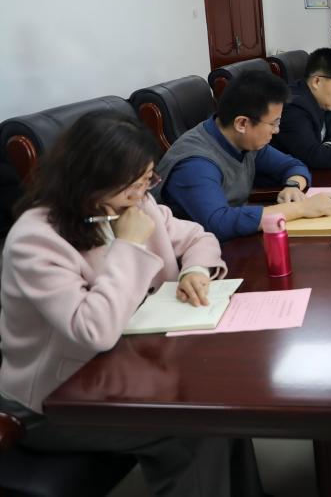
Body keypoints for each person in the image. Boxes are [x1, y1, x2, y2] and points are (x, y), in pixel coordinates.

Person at [0, 111, 264, 497]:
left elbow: (197, 236)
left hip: (130, 364)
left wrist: (195, 271)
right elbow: (94, 330)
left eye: (147, 180)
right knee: (192, 431)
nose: (142, 195)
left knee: (223, 400)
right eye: (133, 185)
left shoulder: (136, 203)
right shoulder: (36, 239)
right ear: (88, 178)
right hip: (55, 397)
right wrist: (129, 245)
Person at [154, 70, 331, 241]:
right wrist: (300, 208)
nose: (276, 130)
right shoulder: (195, 163)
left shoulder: (242, 140)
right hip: (194, 257)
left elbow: (292, 165)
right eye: (273, 123)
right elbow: (219, 223)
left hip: (237, 240)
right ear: (242, 123)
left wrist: (292, 186)